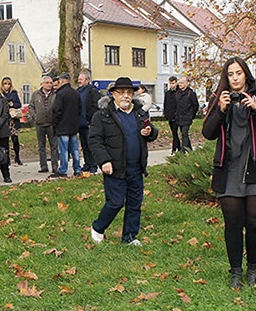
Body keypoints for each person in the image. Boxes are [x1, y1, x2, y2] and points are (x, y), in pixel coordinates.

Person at [201, 57, 256, 289]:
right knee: (233, 223)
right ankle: (236, 271)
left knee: (255, 222)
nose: (235, 78)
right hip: (228, 170)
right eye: (230, 74)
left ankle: (252, 268)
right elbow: (208, 133)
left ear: (246, 74)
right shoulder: (219, 98)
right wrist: (221, 110)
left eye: (239, 73)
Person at [89, 77, 158, 246]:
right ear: (113, 95)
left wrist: (150, 132)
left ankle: (129, 237)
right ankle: (98, 227)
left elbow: (152, 132)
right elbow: (94, 140)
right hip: (115, 167)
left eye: (129, 92)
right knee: (116, 202)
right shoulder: (102, 115)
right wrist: (104, 160)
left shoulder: (140, 113)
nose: (126, 96)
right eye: (121, 93)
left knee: (135, 203)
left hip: (136, 167)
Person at [51, 72, 82, 177]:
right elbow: (79, 109)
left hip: (62, 126)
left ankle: (63, 170)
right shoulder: (75, 93)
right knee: (75, 149)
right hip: (73, 125)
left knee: (63, 150)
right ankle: (77, 169)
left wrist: (55, 124)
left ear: (62, 81)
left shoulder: (60, 94)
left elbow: (57, 111)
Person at [30, 73, 58, 172]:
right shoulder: (35, 94)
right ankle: (43, 166)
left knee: (54, 146)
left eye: (50, 83)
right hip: (40, 123)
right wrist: (35, 116)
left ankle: (55, 166)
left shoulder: (55, 94)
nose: (49, 85)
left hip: (51, 124)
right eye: (47, 83)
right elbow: (31, 107)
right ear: (42, 84)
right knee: (41, 146)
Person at [76, 69, 102, 173]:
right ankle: (87, 163)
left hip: (89, 123)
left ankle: (93, 165)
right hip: (80, 123)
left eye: (81, 79)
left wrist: (89, 117)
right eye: (78, 79)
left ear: (87, 80)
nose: (79, 81)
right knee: (84, 145)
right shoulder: (78, 91)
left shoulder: (92, 91)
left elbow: (96, 106)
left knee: (91, 145)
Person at [1, 77, 24, 165]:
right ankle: (7, 159)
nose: (7, 86)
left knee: (15, 139)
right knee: (5, 141)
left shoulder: (14, 94)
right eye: (5, 84)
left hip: (13, 119)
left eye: (8, 84)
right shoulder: (1, 94)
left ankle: (17, 157)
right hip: (5, 120)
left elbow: (18, 104)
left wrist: (12, 104)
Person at [173, 76, 199, 152]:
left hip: (187, 117)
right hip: (179, 117)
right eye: (179, 83)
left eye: (182, 83)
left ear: (187, 83)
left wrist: (191, 115)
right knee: (183, 134)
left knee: (184, 133)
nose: (180, 84)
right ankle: (190, 149)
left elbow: (195, 105)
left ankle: (183, 151)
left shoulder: (191, 93)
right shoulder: (177, 93)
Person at [163, 75, 180, 154]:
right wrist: (166, 113)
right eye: (170, 83)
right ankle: (178, 148)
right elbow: (165, 104)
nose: (172, 85)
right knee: (174, 133)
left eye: (173, 83)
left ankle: (174, 149)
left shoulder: (179, 92)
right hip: (170, 116)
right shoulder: (167, 93)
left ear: (176, 83)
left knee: (175, 132)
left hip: (177, 115)